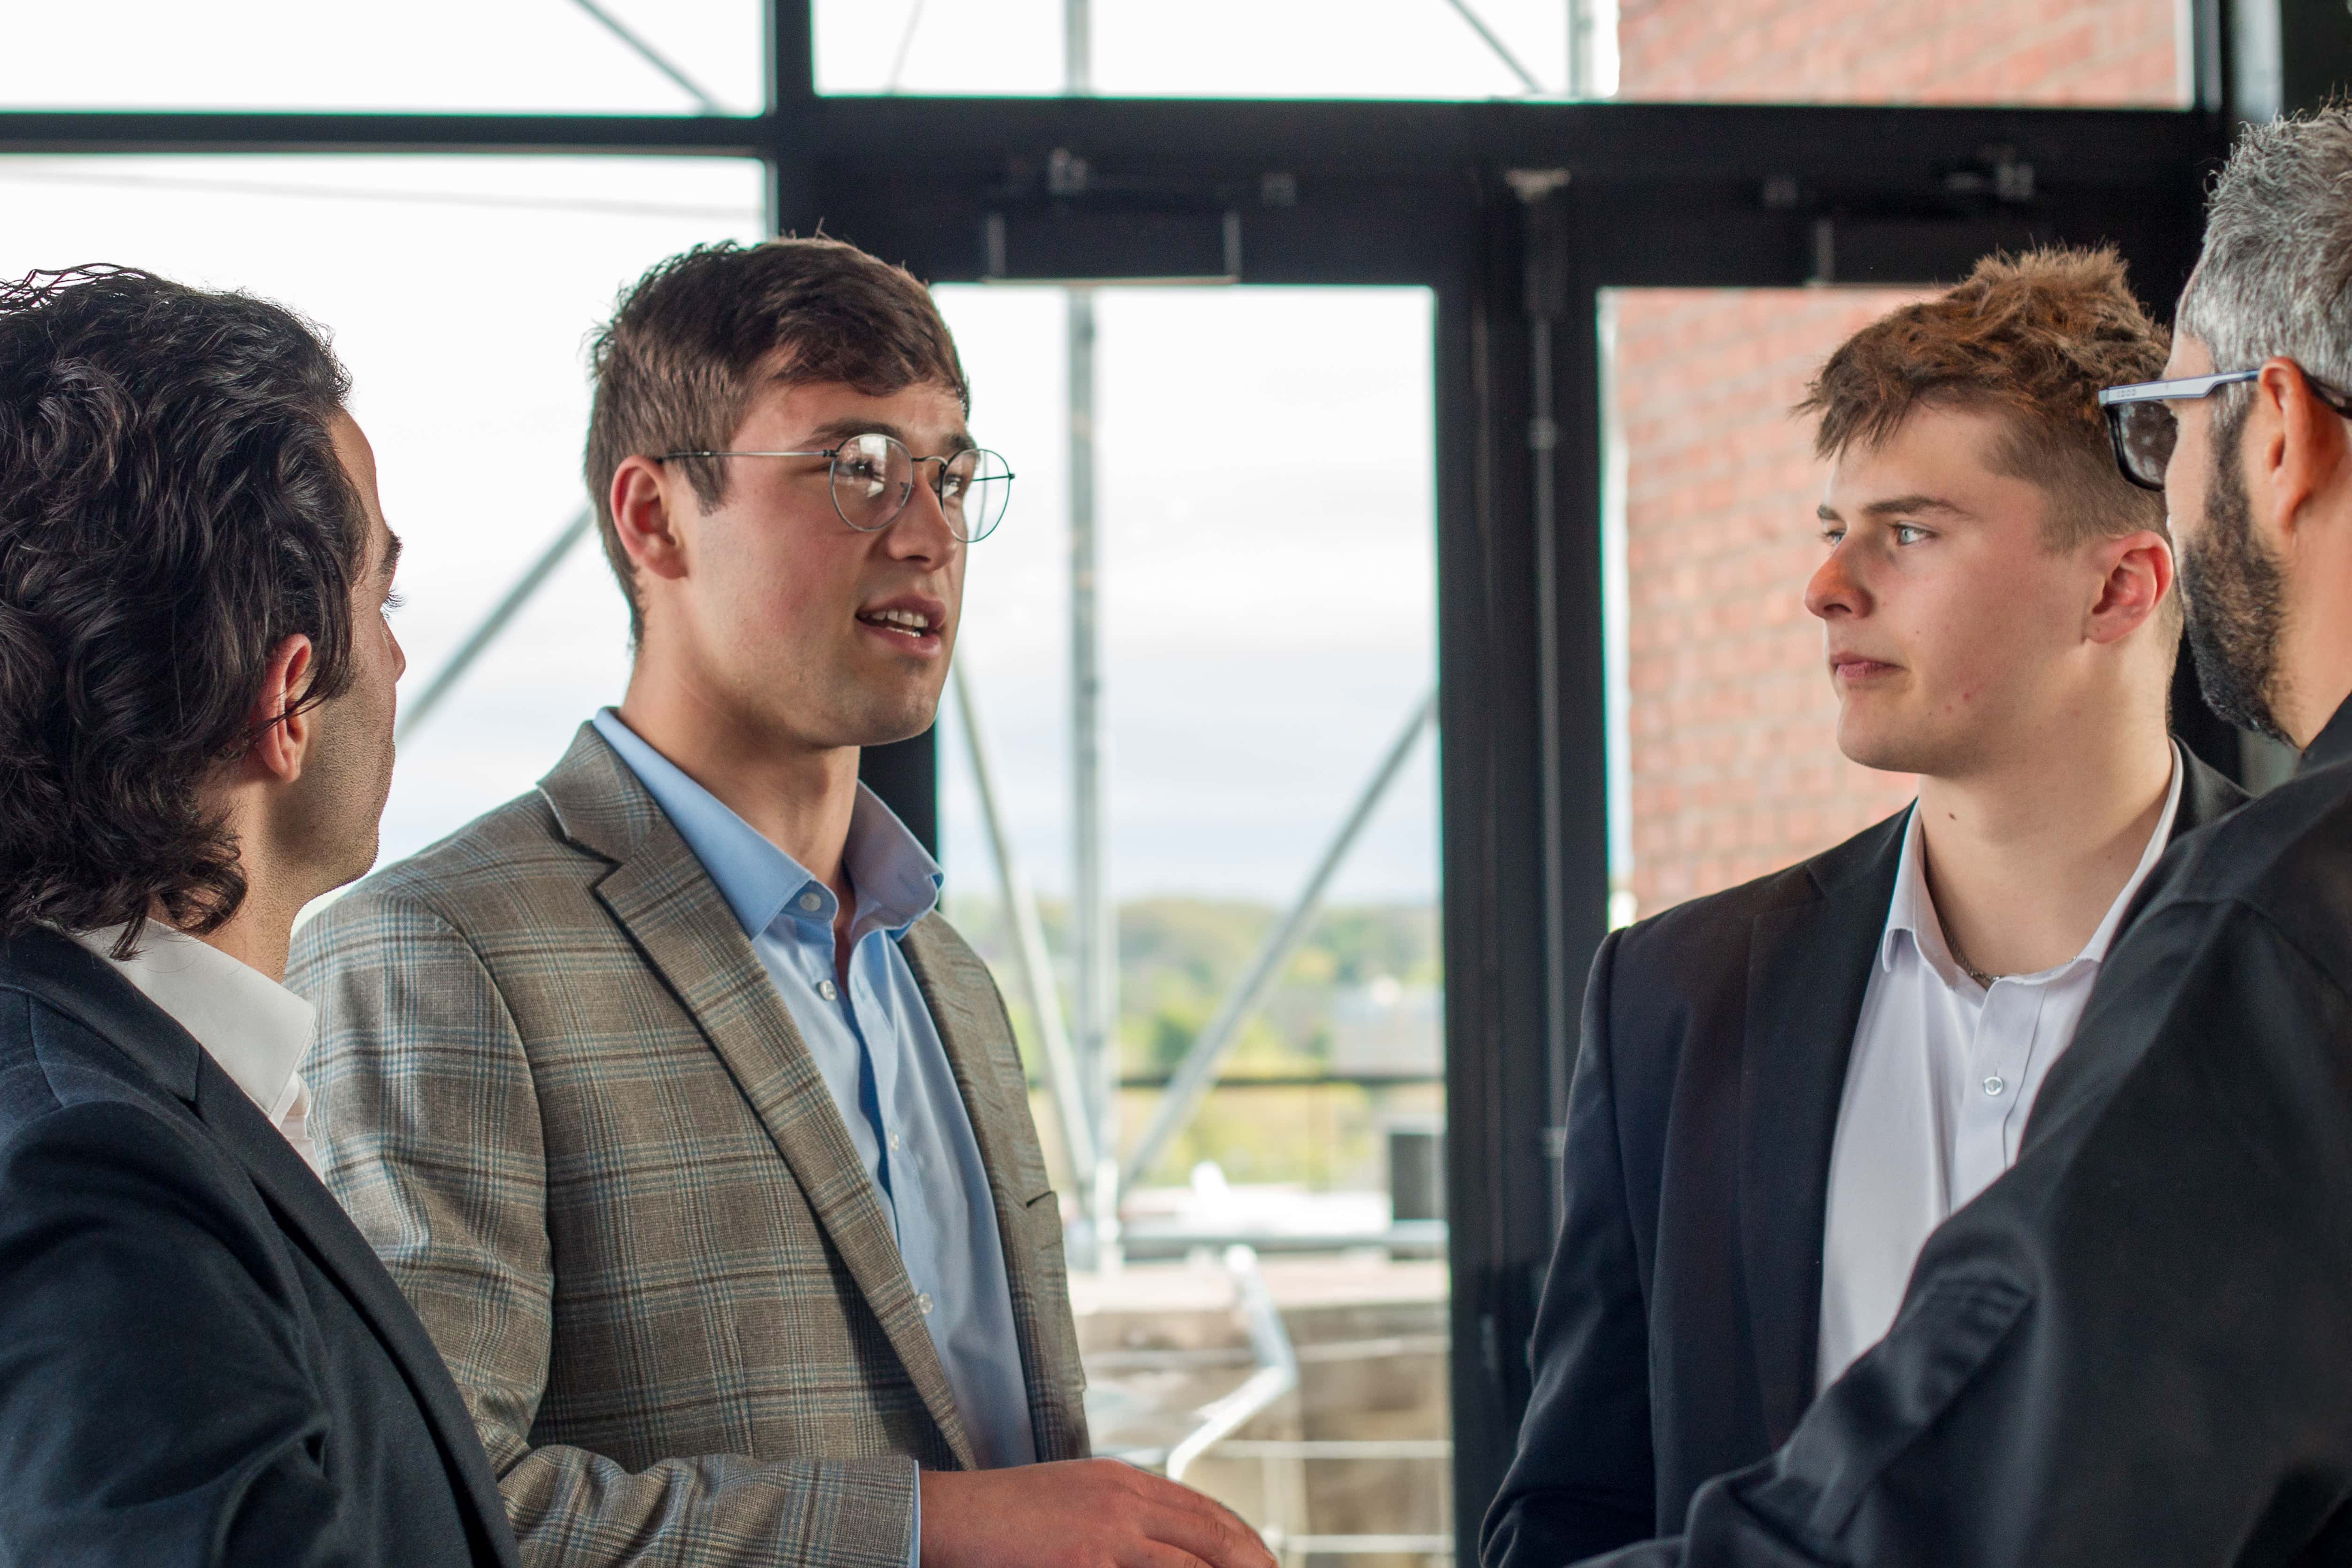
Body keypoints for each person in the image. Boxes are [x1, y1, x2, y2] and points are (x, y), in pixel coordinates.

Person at [291, 238, 1275, 1568]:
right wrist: (934, 1534)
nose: (927, 530)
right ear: (653, 520)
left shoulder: (950, 982)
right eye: (855, 466)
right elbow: (424, 1513)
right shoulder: (437, 954)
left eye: (950, 471)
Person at [1571, 105, 2352, 1568]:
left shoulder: (2290, 938)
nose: (1824, 584)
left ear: (2127, 585)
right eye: (1830, 523)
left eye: (1910, 530)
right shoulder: (1676, 998)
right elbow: (1576, 1506)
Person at [0, 265, 518, 1566]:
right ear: (286, 700)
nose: (398, 660)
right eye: (378, 602)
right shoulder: (97, 1166)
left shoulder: (100, 1086)